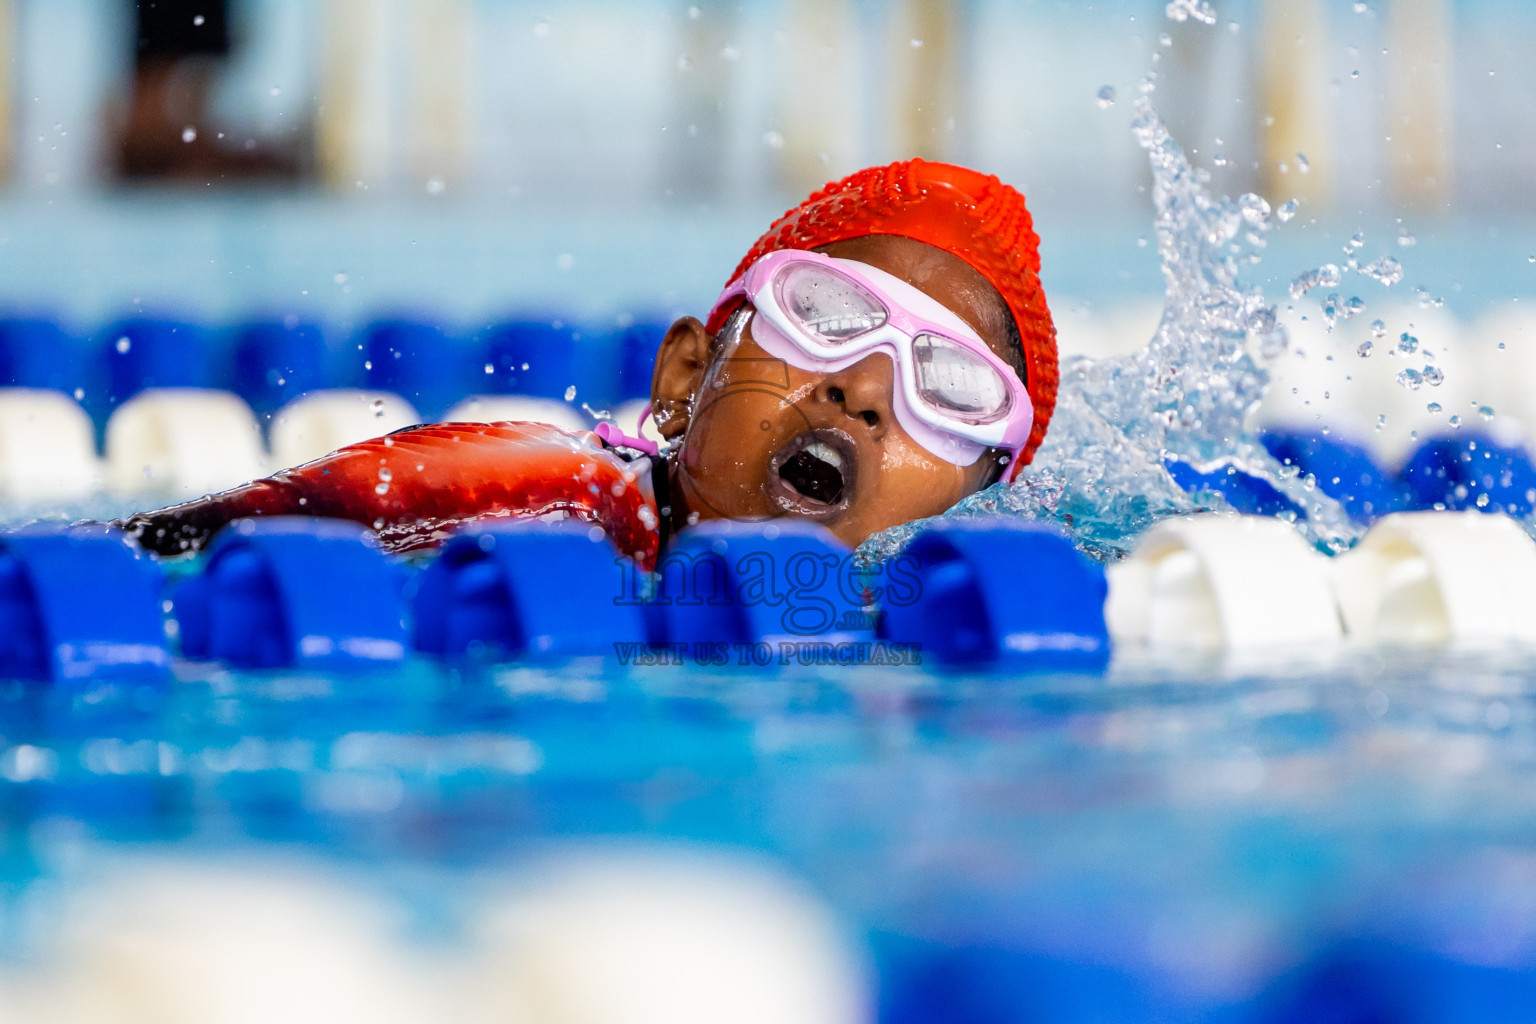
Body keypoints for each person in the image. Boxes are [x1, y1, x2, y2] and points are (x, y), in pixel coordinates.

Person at [117, 159, 1059, 568]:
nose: (865, 388)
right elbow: (159, 548)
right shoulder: (537, 492)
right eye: (828, 314)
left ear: (983, 497)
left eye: (953, 388)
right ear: (687, 377)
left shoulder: (960, 621)